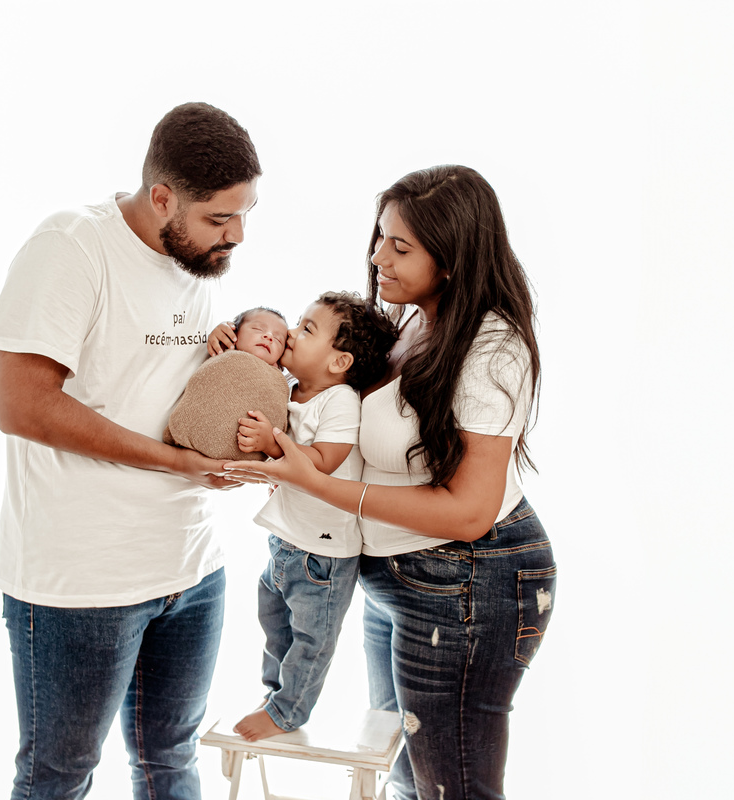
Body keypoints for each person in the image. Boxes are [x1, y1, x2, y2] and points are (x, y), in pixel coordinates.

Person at [224, 166, 556, 800]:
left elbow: (469, 513)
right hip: (399, 577)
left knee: (447, 788)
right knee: (402, 777)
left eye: (400, 247)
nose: (377, 258)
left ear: (452, 258)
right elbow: (330, 399)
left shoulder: (490, 350)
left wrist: (314, 483)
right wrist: (241, 346)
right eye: (380, 237)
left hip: (467, 586)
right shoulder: (410, 320)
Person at [0, 102, 260, 800]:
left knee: (171, 761)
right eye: (218, 219)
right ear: (162, 197)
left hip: (191, 568)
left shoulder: (192, 261)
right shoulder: (72, 246)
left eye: (245, 214)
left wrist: (223, 353)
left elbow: (153, 383)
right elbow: (21, 404)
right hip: (84, 581)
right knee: (59, 777)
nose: (236, 236)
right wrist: (177, 465)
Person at [224, 292, 396, 742]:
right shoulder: (288, 386)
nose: (291, 336)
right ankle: (274, 693)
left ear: (339, 362)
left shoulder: (338, 400)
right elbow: (243, 362)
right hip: (286, 540)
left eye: (306, 329)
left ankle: (287, 712)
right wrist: (220, 336)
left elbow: (324, 459)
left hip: (323, 555)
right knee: (274, 622)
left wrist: (273, 439)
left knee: (311, 642)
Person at [163, 307, 291, 461]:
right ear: (234, 334)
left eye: (278, 339)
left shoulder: (277, 380)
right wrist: (218, 335)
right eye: (258, 328)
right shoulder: (223, 352)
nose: (269, 336)